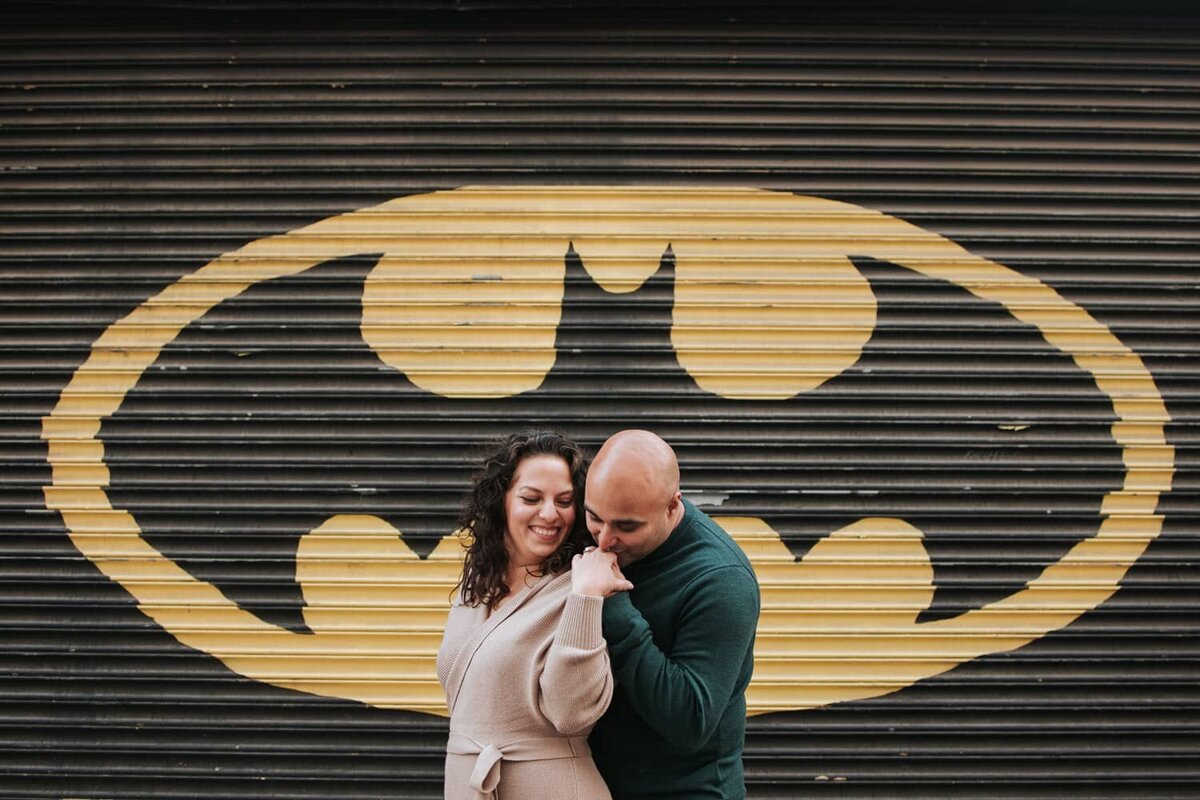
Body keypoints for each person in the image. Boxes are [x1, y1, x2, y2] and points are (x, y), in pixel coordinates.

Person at [437, 430, 633, 800]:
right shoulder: (476, 585)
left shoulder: (582, 582)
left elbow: (572, 713)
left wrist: (587, 597)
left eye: (564, 501)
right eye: (531, 498)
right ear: (502, 502)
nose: (549, 514)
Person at [585, 429, 761, 799]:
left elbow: (690, 722)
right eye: (594, 518)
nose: (603, 541)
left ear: (672, 505)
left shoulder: (720, 581)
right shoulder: (606, 535)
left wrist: (614, 609)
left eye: (626, 526)